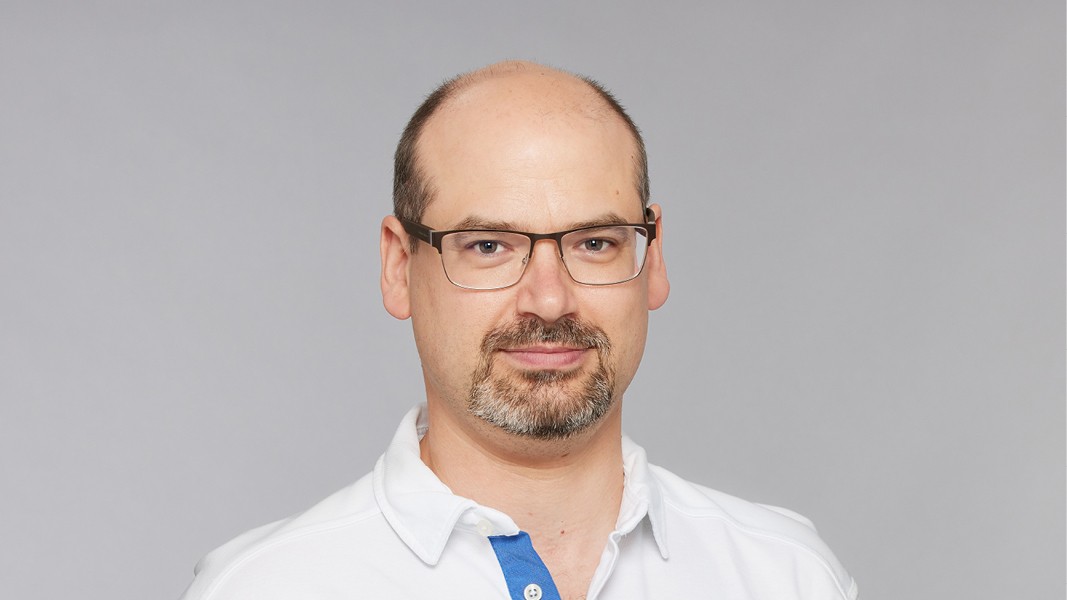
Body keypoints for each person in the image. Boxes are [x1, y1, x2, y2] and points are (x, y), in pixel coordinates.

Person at [179, 61, 858, 600]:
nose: (549, 299)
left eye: (594, 243)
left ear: (652, 260)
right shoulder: (267, 588)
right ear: (398, 266)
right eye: (488, 246)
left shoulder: (787, 578)